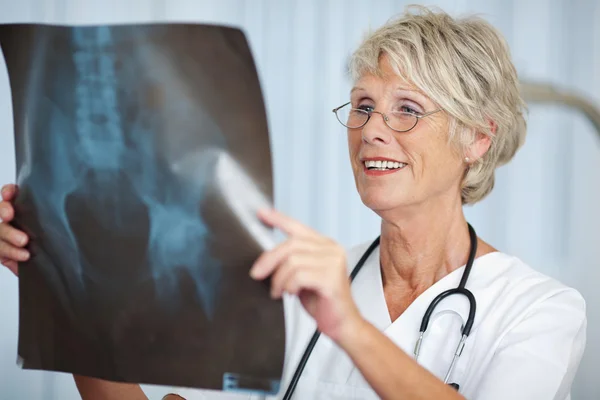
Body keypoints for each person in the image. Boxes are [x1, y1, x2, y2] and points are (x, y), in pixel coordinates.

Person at [0, 5, 587, 400]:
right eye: (362, 106)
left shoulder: (540, 309)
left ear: (478, 138)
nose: (372, 130)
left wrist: (349, 327)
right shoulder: (299, 283)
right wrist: (61, 275)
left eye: (407, 109)